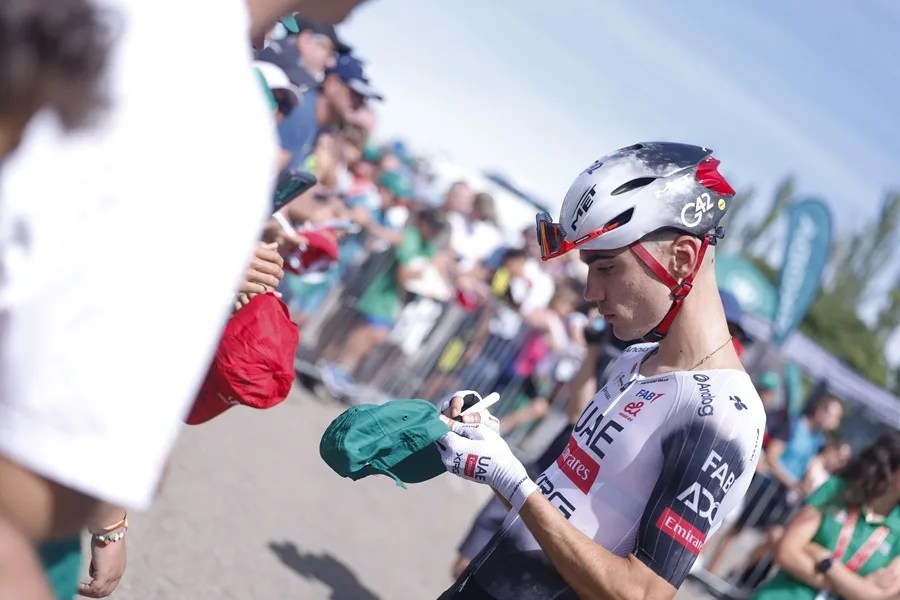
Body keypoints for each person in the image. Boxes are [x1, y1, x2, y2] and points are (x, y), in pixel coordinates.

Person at [435, 142, 766, 599]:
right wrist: (488, 449)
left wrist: (510, 479)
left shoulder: (725, 414)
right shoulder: (636, 359)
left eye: (607, 267)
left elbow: (643, 593)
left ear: (683, 259)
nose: (590, 292)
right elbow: (563, 505)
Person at [752, 431, 900, 600]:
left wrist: (825, 561)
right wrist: (854, 589)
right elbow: (786, 552)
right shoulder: (836, 491)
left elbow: (879, 596)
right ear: (890, 465)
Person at [706, 393, 844, 574]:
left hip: (781, 496)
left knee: (773, 535)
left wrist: (804, 484)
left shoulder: (819, 441)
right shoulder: (793, 425)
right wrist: (793, 483)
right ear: (820, 411)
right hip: (765, 485)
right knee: (735, 529)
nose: (835, 422)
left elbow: (811, 466)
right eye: (834, 416)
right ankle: (709, 569)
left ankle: (733, 575)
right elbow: (772, 456)